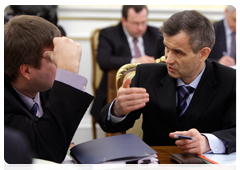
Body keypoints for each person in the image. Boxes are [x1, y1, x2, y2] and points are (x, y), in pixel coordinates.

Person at [99, 10, 238, 154]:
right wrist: (117, 109)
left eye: (178, 52)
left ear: (203, 53)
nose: (168, 59)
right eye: (167, 48)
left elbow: (237, 131)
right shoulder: (146, 75)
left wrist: (207, 142)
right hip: (156, 162)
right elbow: (110, 126)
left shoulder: (230, 80)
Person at [4, 15, 94, 163]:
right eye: (54, 58)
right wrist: (69, 72)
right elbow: (47, 151)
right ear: (26, 71)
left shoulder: (44, 86)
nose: (60, 64)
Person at [91, 5, 165, 123]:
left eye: (143, 22)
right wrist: (134, 61)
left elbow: (165, 59)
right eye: (136, 23)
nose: (140, 28)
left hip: (152, 95)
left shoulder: (156, 34)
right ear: (124, 21)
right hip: (115, 93)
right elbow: (104, 61)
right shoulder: (108, 34)